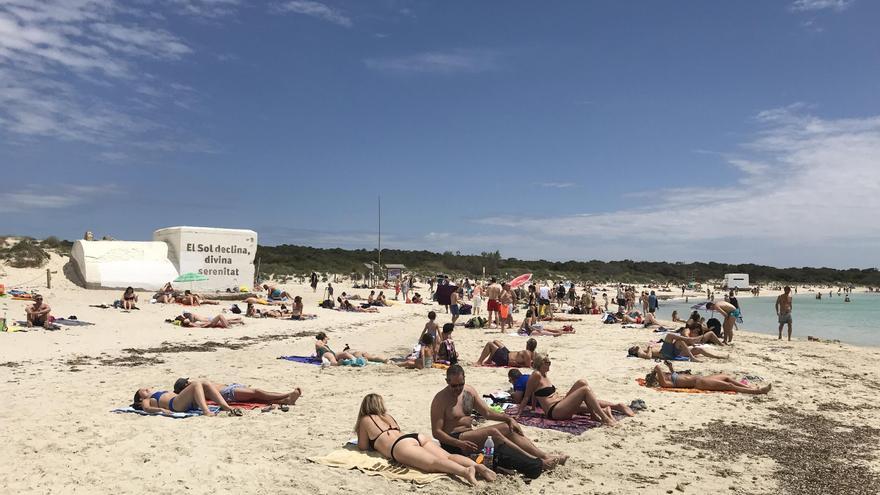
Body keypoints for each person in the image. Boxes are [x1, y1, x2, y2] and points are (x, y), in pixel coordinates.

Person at [430, 365, 566, 470]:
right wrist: (458, 443)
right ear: (447, 381)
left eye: (461, 384)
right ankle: (537, 462)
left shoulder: (468, 392)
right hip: (454, 441)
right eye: (454, 385)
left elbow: (487, 413)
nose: (458, 389)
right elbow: (437, 432)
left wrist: (508, 418)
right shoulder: (440, 400)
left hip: (469, 435)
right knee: (493, 433)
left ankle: (544, 456)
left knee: (509, 428)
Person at [355, 394, 493, 486]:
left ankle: (465, 472)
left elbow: (362, 446)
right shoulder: (388, 417)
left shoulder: (365, 420)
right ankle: (478, 466)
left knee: (433, 463)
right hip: (415, 437)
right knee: (449, 456)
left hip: (399, 447)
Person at [517, 353, 632, 426]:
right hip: (554, 411)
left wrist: (532, 408)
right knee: (585, 390)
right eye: (547, 363)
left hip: (560, 403)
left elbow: (534, 394)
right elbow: (528, 394)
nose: (549, 365)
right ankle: (605, 418)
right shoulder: (536, 375)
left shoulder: (544, 374)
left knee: (582, 382)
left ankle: (615, 406)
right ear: (540, 364)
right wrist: (519, 414)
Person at [646, 360, 771, 394]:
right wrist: (653, 374)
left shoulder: (668, 377)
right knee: (729, 386)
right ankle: (757, 391)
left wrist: (670, 367)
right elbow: (657, 367)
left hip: (702, 378)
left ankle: (747, 386)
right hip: (700, 384)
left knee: (727, 377)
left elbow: (673, 374)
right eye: (657, 376)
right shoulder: (665, 384)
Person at [131, 379, 242, 417]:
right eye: (144, 391)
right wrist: (160, 409)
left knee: (205, 383)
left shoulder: (158, 393)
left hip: (183, 401)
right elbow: (146, 409)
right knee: (196, 384)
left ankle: (225, 406)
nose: (147, 389)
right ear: (140, 399)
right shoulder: (146, 400)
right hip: (175, 405)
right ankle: (206, 411)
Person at [173, 378, 301, 406]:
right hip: (229, 393)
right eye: (187, 382)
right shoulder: (195, 389)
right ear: (185, 385)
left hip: (231, 387)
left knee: (258, 398)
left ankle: (286, 401)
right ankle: (287, 394)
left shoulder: (196, 387)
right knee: (257, 392)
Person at [627, 333, 727, 362]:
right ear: (633, 351)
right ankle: (690, 340)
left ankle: (718, 357)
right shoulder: (639, 353)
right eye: (634, 347)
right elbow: (648, 357)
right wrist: (649, 348)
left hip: (669, 352)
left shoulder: (640, 350)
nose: (635, 346)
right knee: (669, 336)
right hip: (665, 354)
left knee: (697, 349)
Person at [177, 313, 243, 328]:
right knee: (220, 316)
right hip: (209, 324)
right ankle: (228, 327)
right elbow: (201, 326)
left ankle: (238, 321)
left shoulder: (189, 323)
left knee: (222, 320)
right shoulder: (187, 323)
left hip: (208, 323)